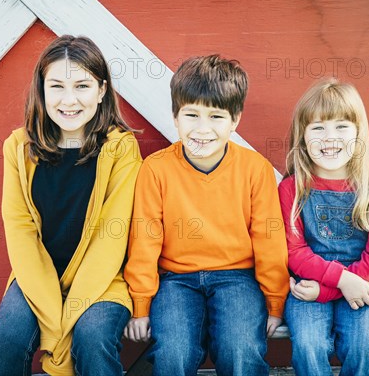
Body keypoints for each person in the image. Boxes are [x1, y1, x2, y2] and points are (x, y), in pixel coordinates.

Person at [123, 55, 290, 376]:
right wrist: (140, 305)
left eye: (215, 117)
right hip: (175, 280)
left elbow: (269, 239)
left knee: (240, 350)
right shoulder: (156, 169)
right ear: (175, 116)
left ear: (235, 119)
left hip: (237, 277)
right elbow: (144, 239)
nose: (202, 129)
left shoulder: (254, 169)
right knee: (173, 353)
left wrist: (274, 302)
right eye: (191, 115)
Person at [0, 35, 142, 376]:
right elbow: (20, 228)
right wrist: (52, 315)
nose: (69, 100)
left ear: (102, 90)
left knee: (92, 337)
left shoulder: (121, 149)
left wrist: (64, 321)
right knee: (8, 340)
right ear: (41, 90)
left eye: (82, 86)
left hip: (102, 278)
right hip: (37, 275)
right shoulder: (18, 147)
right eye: (56, 86)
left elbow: (110, 237)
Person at [279, 78, 369, 376]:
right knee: (308, 344)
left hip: (363, 282)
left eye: (341, 126)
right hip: (308, 284)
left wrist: (332, 289)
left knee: (363, 345)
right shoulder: (292, 189)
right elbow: (295, 252)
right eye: (318, 128)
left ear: (359, 132)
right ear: (302, 136)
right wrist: (334, 285)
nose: (329, 137)